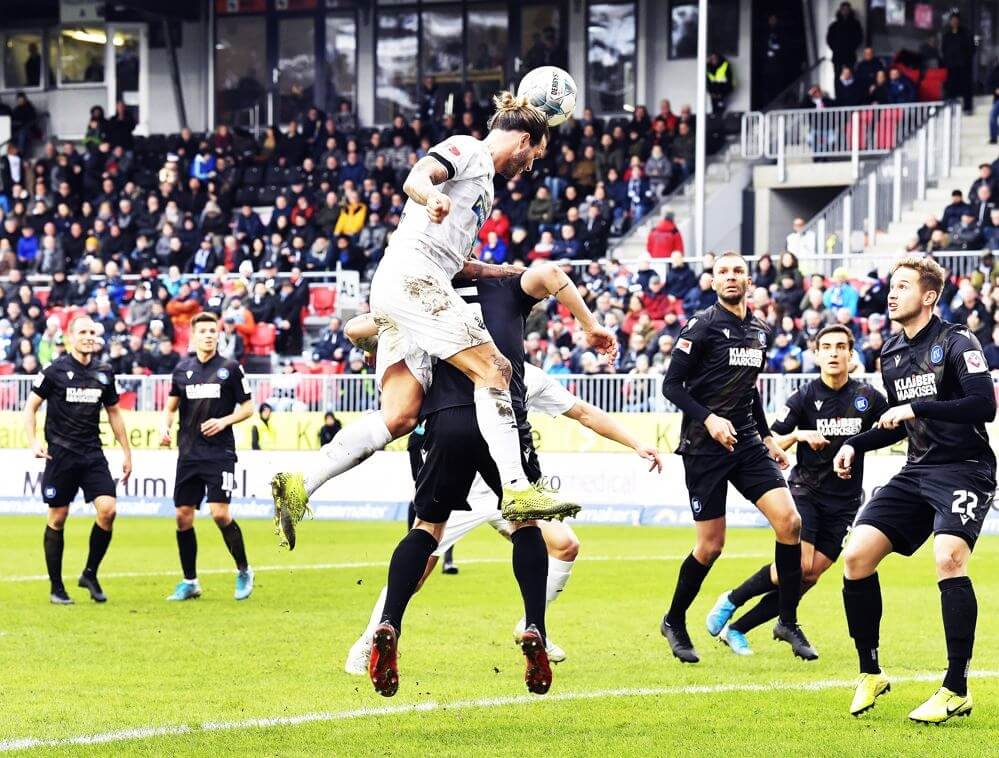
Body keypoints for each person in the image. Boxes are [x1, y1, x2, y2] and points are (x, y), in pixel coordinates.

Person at [270, 92, 616, 540]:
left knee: (400, 416)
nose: (531, 166)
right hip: (415, 279)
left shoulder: (485, 187)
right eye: (535, 154)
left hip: (411, 283)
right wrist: (430, 195)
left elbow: (460, 263)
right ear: (525, 140)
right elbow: (419, 175)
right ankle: (517, 489)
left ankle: (299, 484)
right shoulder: (470, 149)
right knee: (495, 369)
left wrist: (514, 272)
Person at [342, 288, 660, 676]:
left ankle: (532, 624)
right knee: (422, 568)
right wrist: (393, 313)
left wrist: (637, 443)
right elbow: (357, 329)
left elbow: (584, 412)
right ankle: (369, 639)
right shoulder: (444, 360)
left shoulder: (520, 371)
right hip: (473, 486)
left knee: (565, 545)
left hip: (495, 483)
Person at [834, 256, 995, 722]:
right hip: (917, 470)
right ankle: (870, 672)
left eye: (903, 286)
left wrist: (916, 408)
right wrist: (855, 444)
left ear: (928, 296)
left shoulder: (957, 339)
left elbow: (983, 406)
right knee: (856, 557)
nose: (891, 293)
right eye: (891, 285)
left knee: (948, 558)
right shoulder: (890, 353)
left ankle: (956, 688)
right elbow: (898, 423)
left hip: (965, 469)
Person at [660, 252, 813, 664]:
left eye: (738, 272)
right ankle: (674, 620)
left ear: (749, 282)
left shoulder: (760, 330)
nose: (731, 277)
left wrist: (766, 437)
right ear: (713, 281)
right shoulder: (702, 326)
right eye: (723, 272)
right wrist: (709, 419)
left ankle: (787, 620)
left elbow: (749, 390)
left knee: (790, 521)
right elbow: (672, 386)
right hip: (704, 446)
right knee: (710, 547)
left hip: (745, 442)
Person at [705, 325, 889, 655]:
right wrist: (802, 435)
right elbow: (771, 440)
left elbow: (891, 429)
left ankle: (737, 628)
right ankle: (733, 599)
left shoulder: (868, 398)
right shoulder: (805, 396)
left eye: (840, 347)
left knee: (810, 576)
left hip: (846, 501)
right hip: (806, 491)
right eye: (827, 347)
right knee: (800, 565)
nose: (833, 353)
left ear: (851, 354)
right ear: (816, 354)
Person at [23, 316, 132, 604]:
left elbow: (114, 413)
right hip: (60, 455)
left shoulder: (104, 372)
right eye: (82, 332)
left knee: (108, 511)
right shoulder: (54, 370)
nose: (87, 336)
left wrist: (127, 452)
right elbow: (31, 407)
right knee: (58, 518)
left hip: (92, 454)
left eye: (92, 332)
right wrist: (34, 442)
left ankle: (90, 573)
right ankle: (56, 588)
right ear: (70, 336)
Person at [159, 312, 254, 601]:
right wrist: (164, 427)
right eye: (203, 331)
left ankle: (244, 570)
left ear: (218, 334)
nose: (209, 335)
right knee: (182, 516)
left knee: (219, 513)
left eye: (213, 330)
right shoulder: (182, 369)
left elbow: (248, 407)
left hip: (219, 453)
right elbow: (171, 405)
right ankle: (190, 581)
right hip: (188, 453)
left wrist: (224, 421)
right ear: (193, 335)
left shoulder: (230, 368)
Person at [942, 11, 974, 113]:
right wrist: (947, 60)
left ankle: (968, 107)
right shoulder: (947, 35)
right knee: (951, 86)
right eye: (952, 20)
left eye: (956, 20)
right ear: (950, 21)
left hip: (963, 65)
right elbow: (943, 49)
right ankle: (951, 106)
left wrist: (966, 59)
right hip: (951, 65)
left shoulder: (966, 33)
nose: (954, 22)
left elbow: (972, 48)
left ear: (959, 21)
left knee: (966, 86)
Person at [826, 3, 863, 79]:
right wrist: (835, 48)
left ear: (850, 11)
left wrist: (852, 48)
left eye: (847, 9)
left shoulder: (855, 25)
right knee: (837, 77)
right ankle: (838, 91)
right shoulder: (834, 25)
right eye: (843, 9)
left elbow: (859, 38)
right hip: (838, 55)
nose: (845, 11)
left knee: (850, 77)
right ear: (840, 11)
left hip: (850, 55)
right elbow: (829, 39)